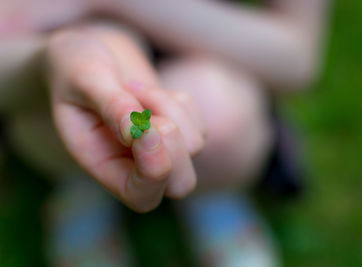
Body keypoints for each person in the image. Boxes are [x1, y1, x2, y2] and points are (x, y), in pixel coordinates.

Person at [0, 0, 329, 266]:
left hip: (213, 51)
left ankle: (214, 193)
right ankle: (82, 188)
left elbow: (298, 57)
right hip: (51, 76)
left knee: (216, 117)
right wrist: (49, 63)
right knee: (89, 115)